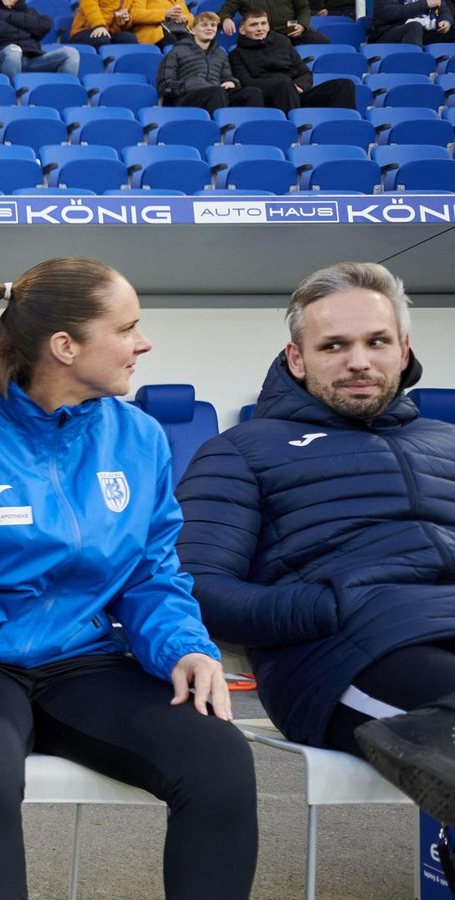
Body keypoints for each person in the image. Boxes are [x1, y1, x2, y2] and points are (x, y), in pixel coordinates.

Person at [0, 256, 258, 900]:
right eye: (126, 328)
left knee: (219, 758)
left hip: (84, 663)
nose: (144, 343)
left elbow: (151, 574)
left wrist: (185, 647)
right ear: (65, 346)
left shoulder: (139, 440)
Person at [175, 262, 455, 825]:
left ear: (403, 350)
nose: (359, 361)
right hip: (347, 654)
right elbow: (194, 587)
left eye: (377, 342)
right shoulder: (241, 451)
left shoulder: (446, 441)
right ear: (297, 358)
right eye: (334, 345)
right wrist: (328, 607)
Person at [230, 9, 354, 111]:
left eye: (264, 23)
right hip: (269, 98)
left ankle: (345, 128)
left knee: (343, 85)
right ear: (242, 30)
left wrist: (299, 86)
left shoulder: (282, 42)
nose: (260, 28)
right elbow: (246, 82)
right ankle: (291, 128)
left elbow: (305, 73)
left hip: (296, 92)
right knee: (285, 86)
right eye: (254, 25)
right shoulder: (237, 54)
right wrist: (284, 85)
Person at [157, 12, 263, 113]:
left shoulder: (220, 53)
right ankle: (220, 126)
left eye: (213, 25)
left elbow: (227, 77)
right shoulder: (177, 51)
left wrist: (231, 82)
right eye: (204, 25)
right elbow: (164, 84)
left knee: (253, 92)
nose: (209, 28)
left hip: (217, 94)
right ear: (193, 30)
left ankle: (252, 125)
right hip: (188, 97)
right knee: (217, 92)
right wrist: (188, 85)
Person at [0, 0, 81, 76]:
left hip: (32, 57)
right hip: (3, 57)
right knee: (13, 51)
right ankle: (12, 95)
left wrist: (10, 18)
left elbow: (44, 25)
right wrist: (29, 32)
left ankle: (60, 96)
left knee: (71, 53)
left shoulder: (29, 11)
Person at [218, 0, 330, 44]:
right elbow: (224, 11)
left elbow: (303, 8)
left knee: (322, 40)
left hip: (291, 29)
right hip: (263, 34)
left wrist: (301, 25)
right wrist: (226, 18)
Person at [369, 0, 455, 46]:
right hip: (390, 32)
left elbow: (445, 10)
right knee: (414, 27)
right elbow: (389, 12)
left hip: (424, 31)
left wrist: (446, 21)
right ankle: (414, 67)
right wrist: (425, 4)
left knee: (451, 29)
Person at [66, 0, 140, 48]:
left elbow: (126, 21)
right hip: (84, 30)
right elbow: (89, 4)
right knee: (101, 39)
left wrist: (126, 20)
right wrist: (99, 26)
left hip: (109, 32)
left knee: (129, 39)